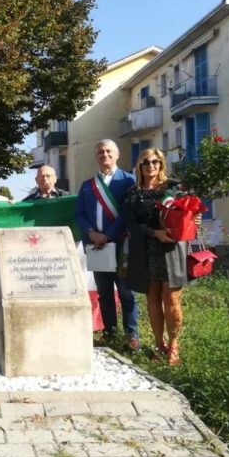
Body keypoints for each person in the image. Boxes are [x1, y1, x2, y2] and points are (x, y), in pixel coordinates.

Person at [122, 148, 201, 365]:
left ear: (161, 164)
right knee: (153, 300)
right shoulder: (132, 193)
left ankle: (174, 346)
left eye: (155, 162)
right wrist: (153, 232)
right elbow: (131, 224)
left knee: (172, 299)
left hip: (172, 250)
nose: (151, 166)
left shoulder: (174, 188)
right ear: (140, 166)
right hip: (146, 250)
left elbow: (189, 211)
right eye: (146, 162)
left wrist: (194, 218)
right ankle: (159, 345)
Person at [75, 139, 140, 349]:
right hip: (97, 246)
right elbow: (79, 214)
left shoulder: (129, 181)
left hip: (121, 245)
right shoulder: (87, 185)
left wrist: (109, 235)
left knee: (126, 292)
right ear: (96, 156)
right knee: (104, 293)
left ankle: (131, 336)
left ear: (117, 154)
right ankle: (110, 333)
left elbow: (126, 213)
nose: (105, 155)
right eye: (101, 152)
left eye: (109, 151)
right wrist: (91, 233)